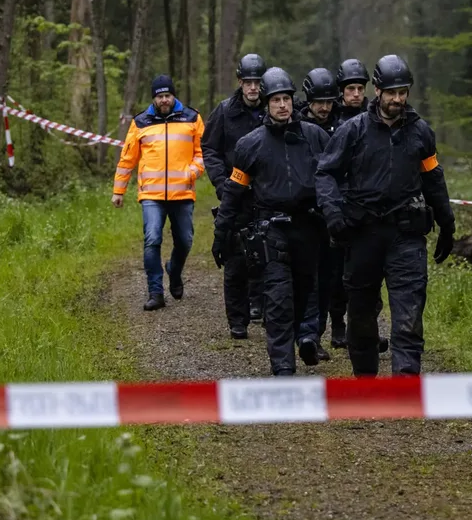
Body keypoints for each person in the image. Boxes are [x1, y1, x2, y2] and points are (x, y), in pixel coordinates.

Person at [316, 55, 455, 376]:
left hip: (406, 236)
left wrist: (447, 223)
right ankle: (367, 384)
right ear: (377, 91)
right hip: (362, 236)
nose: (398, 99)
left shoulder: (421, 133)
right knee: (362, 316)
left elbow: (433, 178)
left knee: (409, 315)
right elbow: (325, 174)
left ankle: (405, 385)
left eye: (403, 92)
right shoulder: (353, 131)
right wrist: (333, 213)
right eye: (392, 92)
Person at [212, 68, 327, 376]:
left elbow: (333, 181)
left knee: (304, 292)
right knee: (277, 300)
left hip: (308, 228)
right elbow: (233, 194)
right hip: (271, 230)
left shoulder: (315, 137)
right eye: (276, 100)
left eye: (286, 99)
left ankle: (300, 338)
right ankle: (283, 366)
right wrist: (221, 235)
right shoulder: (251, 144)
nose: (282, 105)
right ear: (266, 103)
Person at [112, 74, 205, 311]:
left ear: (174, 96)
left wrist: (192, 172)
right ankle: (155, 292)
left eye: (168, 95)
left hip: (182, 193)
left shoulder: (192, 118)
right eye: (160, 96)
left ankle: (174, 270)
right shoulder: (141, 122)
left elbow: (203, 152)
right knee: (152, 239)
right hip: (151, 195)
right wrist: (118, 190)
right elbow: (127, 158)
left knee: (185, 241)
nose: (164, 100)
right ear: (154, 98)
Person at [204, 53, 267, 338]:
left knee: (268, 253)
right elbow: (210, 148)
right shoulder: (224, 111)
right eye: (248, 82)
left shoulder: (274, 106)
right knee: (234, 258)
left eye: (257, 82)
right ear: (240, 82)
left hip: (268, 193)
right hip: (235, 193)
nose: (253, 87)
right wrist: (221, 183)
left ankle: (263, 307)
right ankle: (237, 320)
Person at [300, 68, 346, 356]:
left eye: (329, 101)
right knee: (308, 279)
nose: (324, 107)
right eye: (319, 102)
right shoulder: (296, 127)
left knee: (332, 277)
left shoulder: (344, 127)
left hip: (334, 214)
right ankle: (308, 335)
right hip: (304, 213)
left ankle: (325, 331)